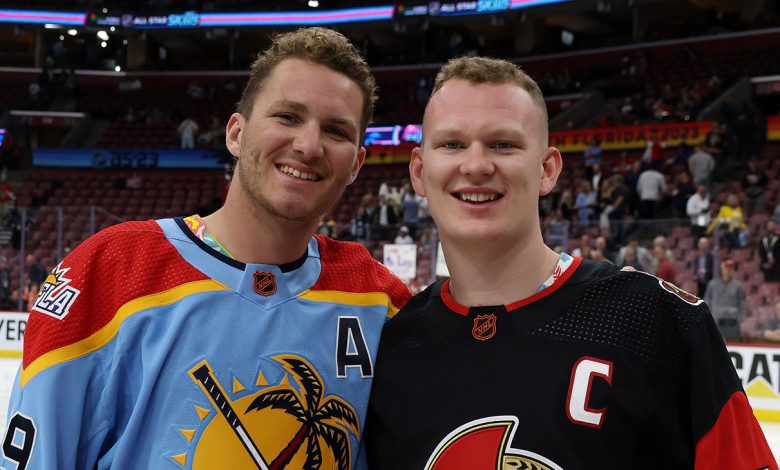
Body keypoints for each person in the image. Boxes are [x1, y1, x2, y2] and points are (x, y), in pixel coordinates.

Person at [3, 27, 410, 469]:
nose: (309, 145)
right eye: (288, 117)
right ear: (235, 133)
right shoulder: (111, 270)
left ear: (356, 164)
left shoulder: (378, 299)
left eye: (335, 130)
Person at [361, 56, 775, 469]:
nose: (475, 165)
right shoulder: (391, 349)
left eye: (503, 144)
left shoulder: (660, 323)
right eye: (452, 144)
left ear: (547, 170)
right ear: (418, 171)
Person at [704, 259, 745, 342]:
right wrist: (709, 316)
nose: (728, 270)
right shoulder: (712, 284)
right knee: (715, 342)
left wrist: (739, 318)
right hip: (716, 319)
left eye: (730, 268)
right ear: (721, 269)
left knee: (733, 343)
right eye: (726, 268)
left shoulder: (737, 286)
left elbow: (741, 303)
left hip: (732, 321)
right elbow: (707, 300)